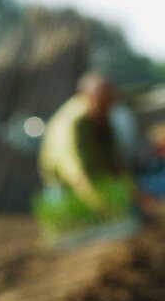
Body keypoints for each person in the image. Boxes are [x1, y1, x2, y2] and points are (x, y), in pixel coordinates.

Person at [39, 72, 128, 212]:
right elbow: (74, 172)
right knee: (72, 221)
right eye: (104, 102)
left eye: (111, 101)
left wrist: (129, 190)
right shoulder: (72, 123)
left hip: (96, 178)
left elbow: (114, 157)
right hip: (64, 185)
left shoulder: (101, 117)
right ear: (87, 96)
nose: (108, 108)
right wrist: (98, 203)